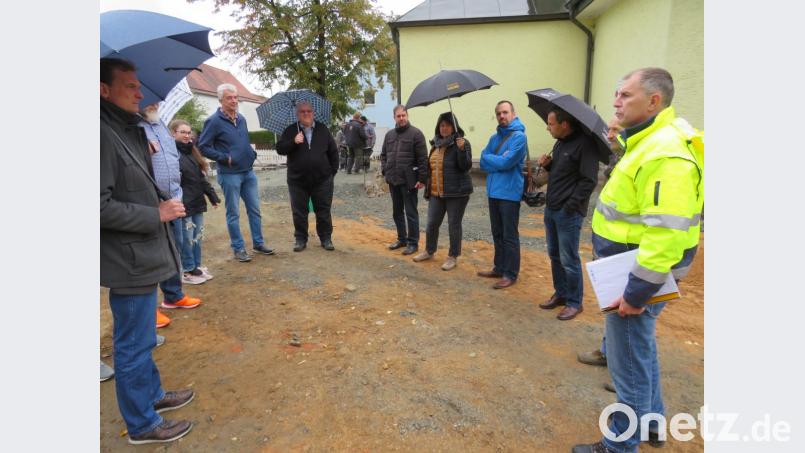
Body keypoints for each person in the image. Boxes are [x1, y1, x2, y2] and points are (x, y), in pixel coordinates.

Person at [573, 68, 704, 453]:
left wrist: (636, 293)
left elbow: (665, 234)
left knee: (627, 361)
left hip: (633, 276)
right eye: (617, 94)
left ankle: (619, 444)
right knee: (640, 349)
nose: (616, 102)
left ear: (653, 101)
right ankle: (651, 424)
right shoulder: (650, 140)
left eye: (625, 95)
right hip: (630, 269)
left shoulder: (666, 153)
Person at [100, 58, 195, 444]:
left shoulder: (124, 129)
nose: (140, 93)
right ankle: (141, 423)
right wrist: (155, 213)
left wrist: (143, 147)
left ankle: (152, 396)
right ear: (103, 90)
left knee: (143, 339)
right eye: (130, 86)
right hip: (128, 260)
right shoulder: (99, 134)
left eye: (139, 85)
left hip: (142, 256)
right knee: (133, 345)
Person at [139, 104, 202, 329]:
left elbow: (173, 158)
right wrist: (143, 151)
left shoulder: (161, 125)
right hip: (148, 203)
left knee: (173, 250)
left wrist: (177, 194)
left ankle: (173, 296)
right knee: (148, 256)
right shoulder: (131, 126)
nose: (155, 104)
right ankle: (147, 310)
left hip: (172, 199)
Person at [536, 107, 599, 321]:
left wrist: (570, 206)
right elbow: (562, 173)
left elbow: (588, 181)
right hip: (552, 208)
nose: (548, 128)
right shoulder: (560, 143)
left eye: (551, 124)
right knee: (554, 255)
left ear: (564, 124)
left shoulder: (585, 145)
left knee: (569, 259)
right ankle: (561, 293)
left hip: (568, 213)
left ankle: (574, 302)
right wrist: (549, 165)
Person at [198, 83, 274, 262]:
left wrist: (251, 153)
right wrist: (225, 158)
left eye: (235, 97)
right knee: (233, 213)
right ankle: (238, 248)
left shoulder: (242, 119)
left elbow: (243, 142)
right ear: (221, 100)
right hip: (229, 174)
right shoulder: (213, 121)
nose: (234, 101)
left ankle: (258, 243)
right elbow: (203, 146)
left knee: (254, 210)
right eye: (229, 98)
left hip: (248, 172)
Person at [411, 112, 473, 271]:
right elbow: (431, 168)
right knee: (432, 223)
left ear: (454, 127)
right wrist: (423, 181)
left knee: (453, 225)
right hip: (436, 193)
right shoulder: (436, 145)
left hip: (456, 193)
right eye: (442, 125)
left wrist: (461, 150)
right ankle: (429, 251)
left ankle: (453, 256)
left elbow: (465, 166)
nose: (444, 128)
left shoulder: (462, 143)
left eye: (448, 125)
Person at [275, 100, 340, 252]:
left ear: (313, 113)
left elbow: (333, 152)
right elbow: (280, 149)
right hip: (297, 180)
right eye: (302, 111)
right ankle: (300, 239)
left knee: (323, 210)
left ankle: (326, 238)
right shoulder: (291, 130)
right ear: (297, 114)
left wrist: (331, 173)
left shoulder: (323, 129)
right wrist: (293, 141)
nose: (306, 114)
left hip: (322, 180)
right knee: (299, 212)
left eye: (309, 111)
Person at [477, 100, 527, 289]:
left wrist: (492, 160)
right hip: (494, 192)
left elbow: (507, 163)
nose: (501, 116)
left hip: (509, 194)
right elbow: (482, 162)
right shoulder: (494, 138)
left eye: (505, 112)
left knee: (509, 236)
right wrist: (496, 160)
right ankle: (499, 267)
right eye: (498, 113)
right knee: (497, 233)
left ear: (513, 114)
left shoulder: (519, 137)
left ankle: (510, 274)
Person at [170, 119, 220, 281]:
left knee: (197, 236)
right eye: (182, 132)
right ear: (173, 133)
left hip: (197, 201)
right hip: (183, 204)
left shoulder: (192, 151)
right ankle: (187, 270)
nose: (187, 135)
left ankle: (196, 266)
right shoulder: (171, 154)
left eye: (188, 132)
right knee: (187, 238)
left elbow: (201, 178)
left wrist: (212, 196)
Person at [380, 105, 428, 255]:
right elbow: (383, 155)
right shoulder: (389, 135)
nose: (401, 118)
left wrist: (422, 179)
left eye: (403, 115)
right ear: (394, 117)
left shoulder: (416, 134)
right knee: (397, 212)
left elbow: (423, 159)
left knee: (411, 213)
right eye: (398, 116)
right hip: (393, 180)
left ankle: (413, 243)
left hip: (409, 181)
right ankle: (402, 239)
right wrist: (385, 170)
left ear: (407, 116)